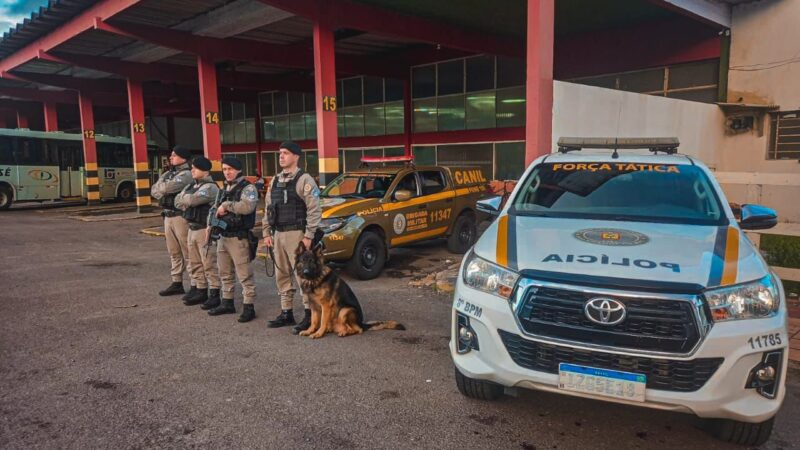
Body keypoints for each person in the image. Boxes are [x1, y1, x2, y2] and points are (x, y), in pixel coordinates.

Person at [262, 141, 322, 334]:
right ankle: (286, 312)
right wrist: (266, 232)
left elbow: (314, 210)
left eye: (285, 153)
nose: (281, 156)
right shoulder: (275, 181)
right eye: (279, 153)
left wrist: (308, 236)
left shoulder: (305, 180)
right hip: (278, 233)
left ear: (296, 156)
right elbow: (268, 209)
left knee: (302, 276)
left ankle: (308, 315)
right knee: (281, 275)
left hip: (297, 234)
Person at [207, 157, 259, 323]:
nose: (227, 172)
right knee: (225, 273)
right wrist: (210, 224)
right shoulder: (224, 188)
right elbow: (215, 208)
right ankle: (227, 302)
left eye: (230, 169)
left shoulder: (248, 188)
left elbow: (247, 207)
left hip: (239, 237)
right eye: (224, 169)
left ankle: (249, 306)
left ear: (238, 170)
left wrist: (226, 206)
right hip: (223, 236)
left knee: (245, 275)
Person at [174, 156, 221, 309]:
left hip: (203, 230)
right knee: (194, 262)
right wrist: (185, 199)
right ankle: (200, 289)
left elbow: (192, 201)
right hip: (192, 229)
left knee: (208, 263)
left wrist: (185, 199)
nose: (192, 170)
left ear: (205, 170)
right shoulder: (192, 186)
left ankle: (214, 293)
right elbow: (176, 200)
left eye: (195, 168)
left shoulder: (210, 187)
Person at [150, 146, 193, 297]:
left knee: (188, 251)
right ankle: (177, 282)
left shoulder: (187, 174)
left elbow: (168, 187)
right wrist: (163, 189)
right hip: (168, 216)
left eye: (174, 155)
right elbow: (154, 189)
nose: (171, 157)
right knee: (173, 251)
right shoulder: (169, 173)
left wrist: (162, 189)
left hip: (181, 216)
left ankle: (196, 284)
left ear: (183, 158)